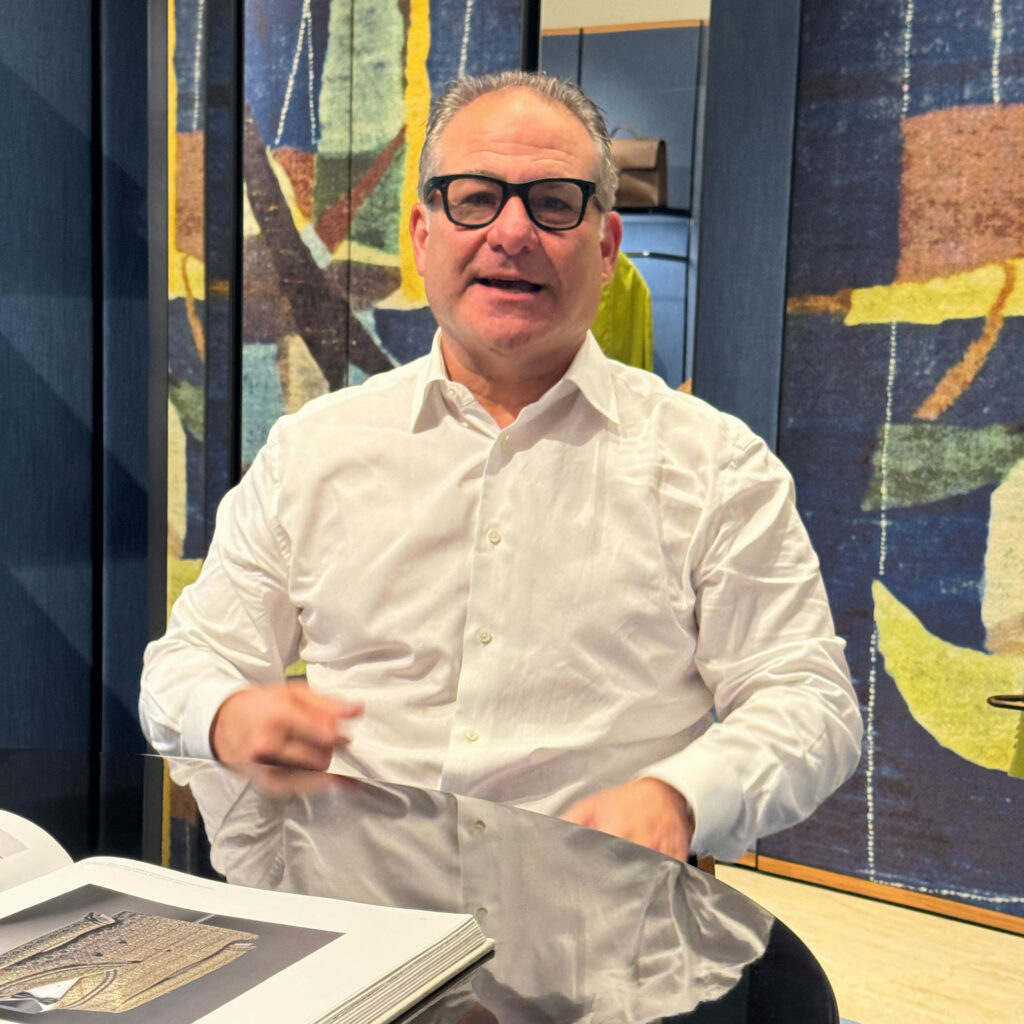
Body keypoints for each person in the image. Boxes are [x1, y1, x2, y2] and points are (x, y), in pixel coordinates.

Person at [140, 71, 862, 864]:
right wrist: (228, 714)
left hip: (605, 939)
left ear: (607, 244)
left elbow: (810, 701)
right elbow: (186, 663)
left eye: (554, 202)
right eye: (474, 197)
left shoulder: (717, 467)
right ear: (422, 235)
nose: (512, 233)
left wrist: (681, 797)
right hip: (356, 932)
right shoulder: (313, 451)